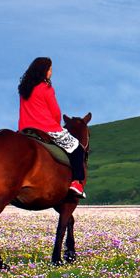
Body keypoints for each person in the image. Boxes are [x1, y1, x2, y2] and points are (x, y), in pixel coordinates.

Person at [18, 57, 86, 198]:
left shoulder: (24, 89)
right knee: (77, 148)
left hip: (25, 128)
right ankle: (76, 183)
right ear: (43, 71)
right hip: (46, 128)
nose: (51, 72)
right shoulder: (46, 88)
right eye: (49, 69)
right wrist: (56, 125)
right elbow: (55, 112)